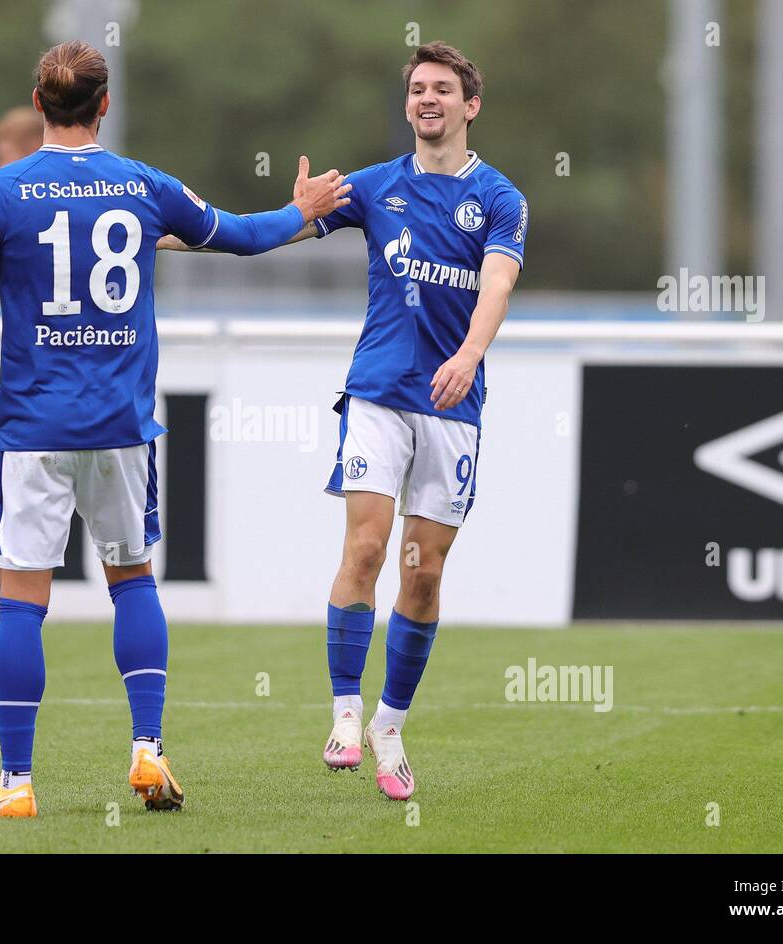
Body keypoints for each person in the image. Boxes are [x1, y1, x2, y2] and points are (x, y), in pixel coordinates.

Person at [0, 40, 350, 817]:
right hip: (121, 427)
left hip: (32, 429)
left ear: (37, 107)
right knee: (131, 581)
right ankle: (147, 751)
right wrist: (302, 212)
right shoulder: (143, 185)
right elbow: (241, 235)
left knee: (21, 602)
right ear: (102, 105)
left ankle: (18, 782)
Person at [161, 41, 526, 801]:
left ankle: (391, 725)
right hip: (378, 394)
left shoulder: (499, 198)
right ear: (409, 105)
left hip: (455, 403)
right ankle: (345, 712)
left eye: (442, 89)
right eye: (418, 89)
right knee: (365, 548)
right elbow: (270, 230)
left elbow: (496, 283)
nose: (427, 99)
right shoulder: (374, 187)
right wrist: (164, 228)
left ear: (470, 106)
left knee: (421, 577)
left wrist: (470, 353)